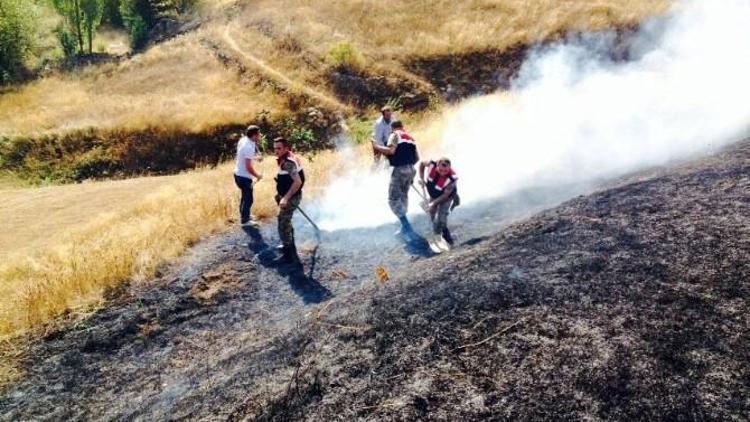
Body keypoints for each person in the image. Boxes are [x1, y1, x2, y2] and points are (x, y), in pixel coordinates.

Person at [372, 120, 419, 237]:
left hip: (399, 170)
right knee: (403, 197)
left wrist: (376, 146)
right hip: (411, 169)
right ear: (402, 127)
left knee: (393, 199)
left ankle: (407, 226)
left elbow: (391, 151)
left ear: (392, 128)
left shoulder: (394, 135)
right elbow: (417, 158)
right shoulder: (410, 138)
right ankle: (404, 226)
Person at [273, 137, 305, 265]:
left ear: (286, 148)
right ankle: (289, 243)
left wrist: (286, 197)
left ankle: (288, 252)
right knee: (285, 220)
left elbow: (298, 182)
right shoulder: (288, 157)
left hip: (292, 197)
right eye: (274, 148)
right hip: (289, 194)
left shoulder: (288, 162)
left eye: (279, 148)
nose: (276, 151)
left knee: (282, 221)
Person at [419, 157, 459, 251]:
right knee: (431, 214)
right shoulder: (431, 164)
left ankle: (449, 240)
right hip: (434, 193)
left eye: (445, 170)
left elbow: (445, 196)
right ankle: (436, 236)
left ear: (449, 168)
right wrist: (421, 178)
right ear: (437, 165)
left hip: (446, 198)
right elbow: (421, 164)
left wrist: (433, 203)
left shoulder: (452, 179)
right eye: (440, 170)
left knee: (441, 219)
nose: (442, 172)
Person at [234, 125, 263, 226]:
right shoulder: (249, 147)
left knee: (245, 196)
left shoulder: (244, 140)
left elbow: (243, 156)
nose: (260, 136)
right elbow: (248, 167)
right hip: (244, 177)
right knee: (249, 199)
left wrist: (256, 158)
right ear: (254, 135)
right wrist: (258, 175)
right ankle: (245, 221)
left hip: (238, 174)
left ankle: (245, 215)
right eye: (259, 134)